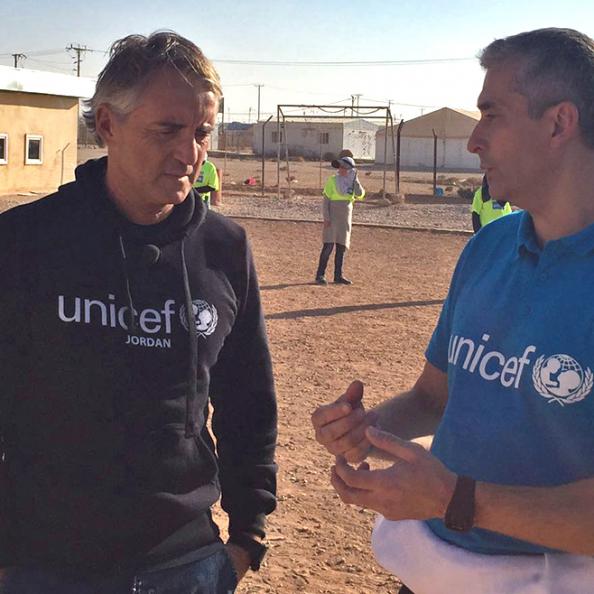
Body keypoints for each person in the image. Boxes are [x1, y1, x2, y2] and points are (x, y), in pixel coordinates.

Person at [312, 27, 594, 594]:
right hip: (427, 575)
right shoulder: (489, 247)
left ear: (559, 123)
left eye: (492, 114)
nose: (473, 141)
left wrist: (456, 499)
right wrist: (370, 430)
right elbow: (433, 399)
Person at [0, 32, 277, 593]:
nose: (190, 154)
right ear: (107, 124)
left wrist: (247, 538)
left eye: (202, 133)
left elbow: (248, 400)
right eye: (167, 130)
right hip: (43, 564)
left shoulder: (225, 249)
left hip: (187, 563)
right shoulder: (25, 241)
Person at [315, 156, 365, 285]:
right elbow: (326, 202)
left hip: (345, 218)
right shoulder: (332, 180)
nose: (341, 169)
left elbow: (360, 194)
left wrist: (355, 180)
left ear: (350, 169)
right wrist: (326, 218)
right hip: (332, 217)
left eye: (344, 167)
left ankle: (338, 276)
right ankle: (320, 275)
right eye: (340, 167)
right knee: (328, 246)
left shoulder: (352, 181)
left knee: (341, 247)